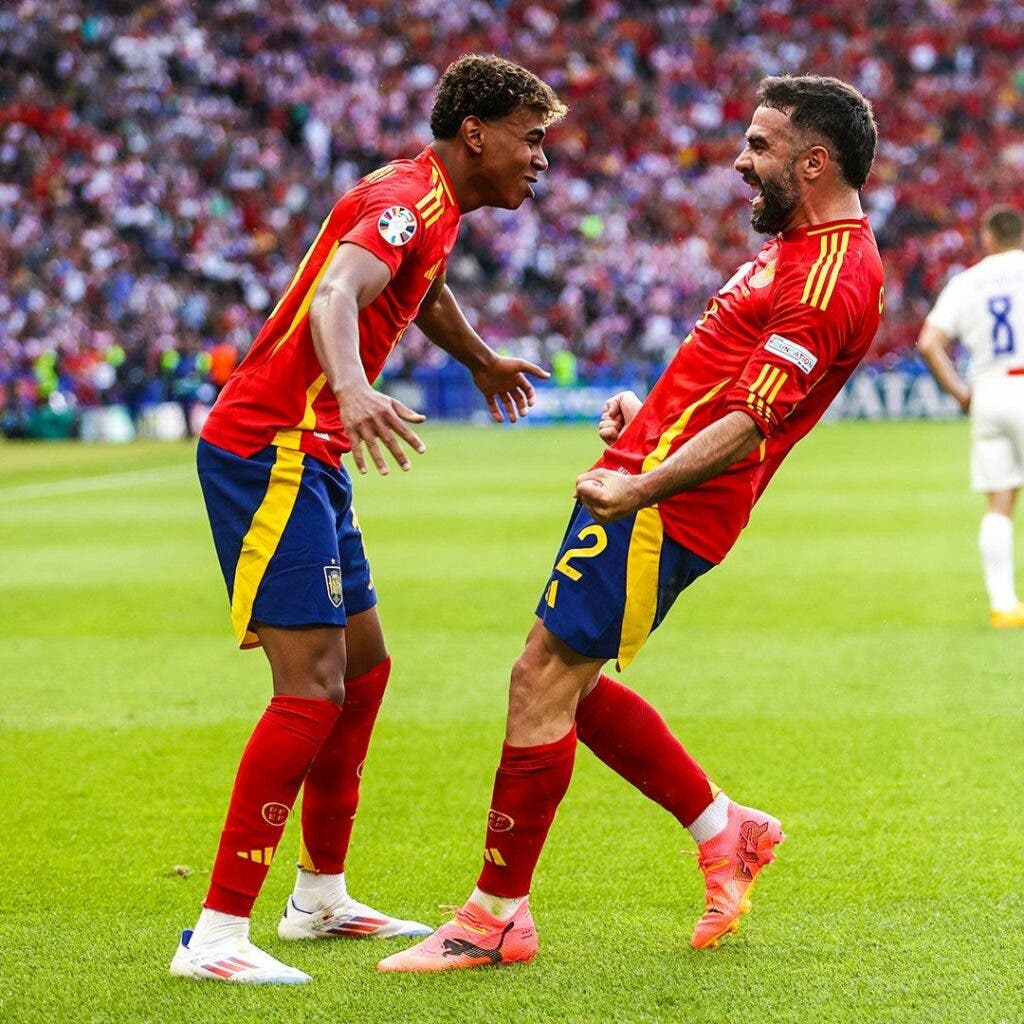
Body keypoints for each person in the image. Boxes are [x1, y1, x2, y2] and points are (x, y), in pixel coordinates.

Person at [379, 73, 883, 973]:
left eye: (760, 147)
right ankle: (724, 829)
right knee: (558, 678)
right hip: (647, 476)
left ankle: (497, 916)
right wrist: (643, 418)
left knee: (540, 681)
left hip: (668, 508)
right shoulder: (800, 246)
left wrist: (644, 486)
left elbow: (750, 423)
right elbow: (721, 383)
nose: (740, 160)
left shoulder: (832, 274)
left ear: (813, 162)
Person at [170, 54, 567, 984]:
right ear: (477, 131)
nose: (540, 159)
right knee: (309, 686)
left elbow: (417, 289)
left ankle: (319, 898)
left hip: (314, 453)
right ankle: (218, 934)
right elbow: (338, 293)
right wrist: (351, 388)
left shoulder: (430, 208)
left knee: (364, 664)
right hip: (272, 448)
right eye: (531, 137)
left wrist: (478, 358)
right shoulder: (401, 198)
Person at [916, 206, 1024, 628]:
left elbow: (929, 343)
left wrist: (961, 395)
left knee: (999, 500)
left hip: (989, 391)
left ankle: (1003, 606)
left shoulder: (969, 281)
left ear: (988, 237)